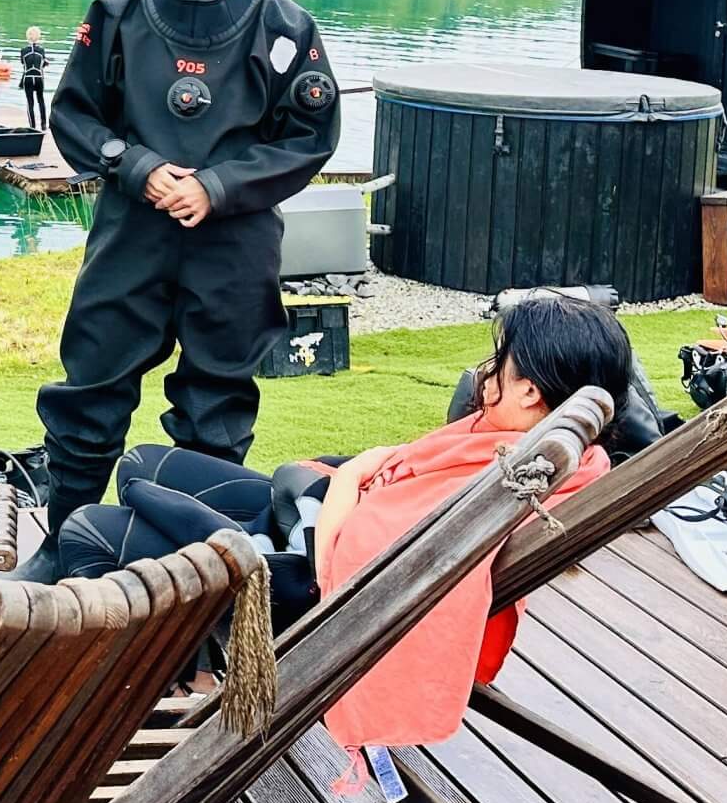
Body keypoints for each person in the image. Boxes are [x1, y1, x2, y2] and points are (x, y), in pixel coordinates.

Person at [56, 292, 627, 700]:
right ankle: (196, 654)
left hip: (305, 583)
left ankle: (162, 684)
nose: (488, 371)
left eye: (501, 361)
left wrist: (345, 480)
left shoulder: (504, 469)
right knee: (142, 463)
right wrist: (350, 474)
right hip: (317, 537)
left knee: (92, 522)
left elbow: (350, 560)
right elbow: (392, 485)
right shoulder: (558, 455)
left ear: (528, 388)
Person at [24, 0, 341, 581]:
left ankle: (186, 571)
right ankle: (59, 548)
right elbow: (75, 114)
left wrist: (220, 188)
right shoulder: (118, 15)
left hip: (234, 244)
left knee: (216, 407)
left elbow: (309, 137)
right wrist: (138, 168)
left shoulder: (285, 27)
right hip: (132, 235)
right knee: (90, 389)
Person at [19, 26, 51, 131]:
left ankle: (32, 126)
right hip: (38, 78)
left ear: (27, 36)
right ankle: (43, 125)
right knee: (41, 100)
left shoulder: (23, 50)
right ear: (38, 37)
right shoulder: (41, 50)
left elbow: (24, 63)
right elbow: (42, 63)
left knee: (30, 103)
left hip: (28, 77)